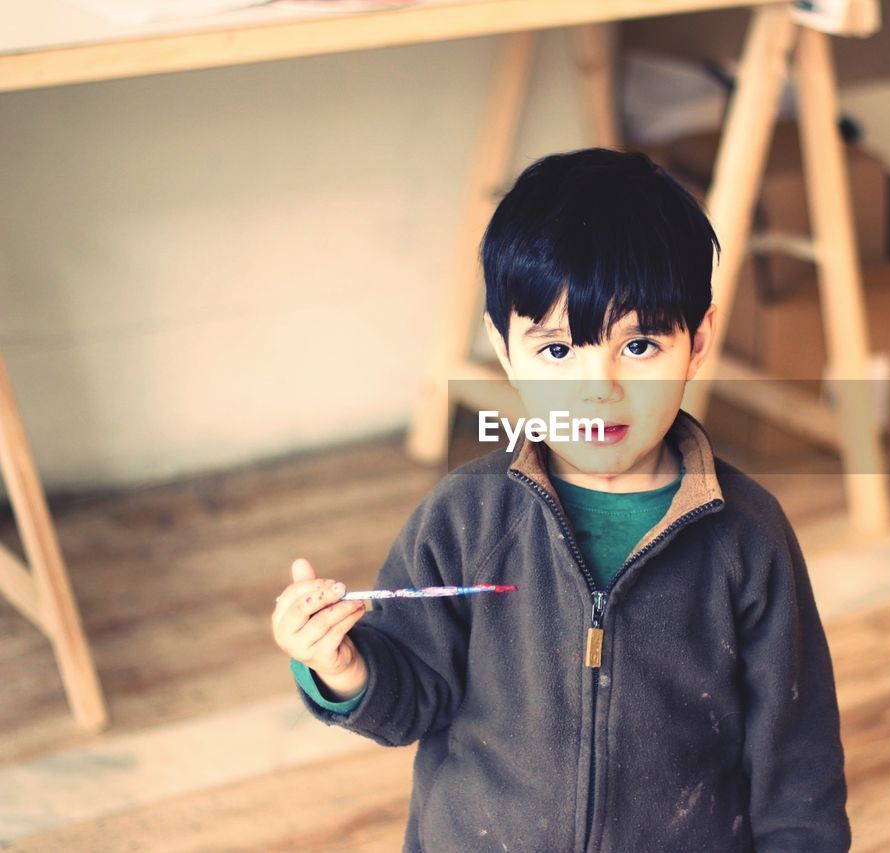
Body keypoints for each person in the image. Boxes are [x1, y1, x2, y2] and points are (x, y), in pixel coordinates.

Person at [271, 148, 850, 852]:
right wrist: (340, 664)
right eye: (556, 352)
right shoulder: (463, 517)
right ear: (504, 349)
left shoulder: (748, 536)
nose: (596, 388)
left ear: (698, 342)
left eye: (638, 346)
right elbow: (410, 698)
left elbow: (796, 762)